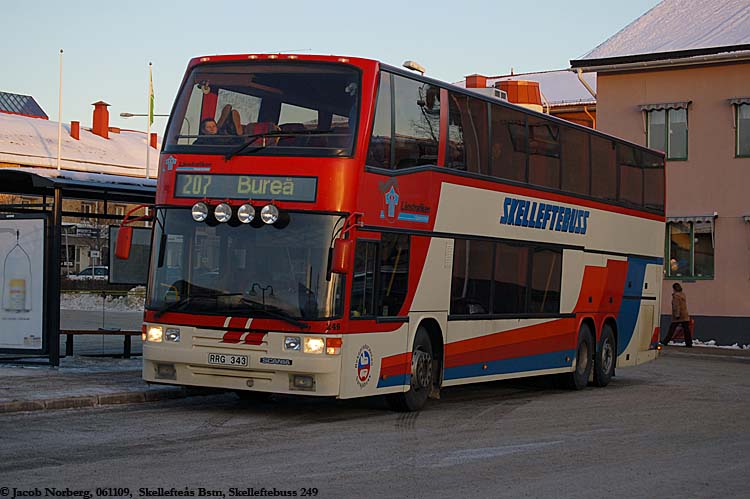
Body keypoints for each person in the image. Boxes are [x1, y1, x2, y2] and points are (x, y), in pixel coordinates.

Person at [661, 282, 692, 347]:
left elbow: (676, 306)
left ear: (674, 289)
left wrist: (677, 315)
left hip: (678, 316)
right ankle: (689, 343)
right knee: (686, 330)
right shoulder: (682, 295)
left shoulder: (676, 296)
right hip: (684, 315)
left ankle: (665, 341)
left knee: (672, 329)